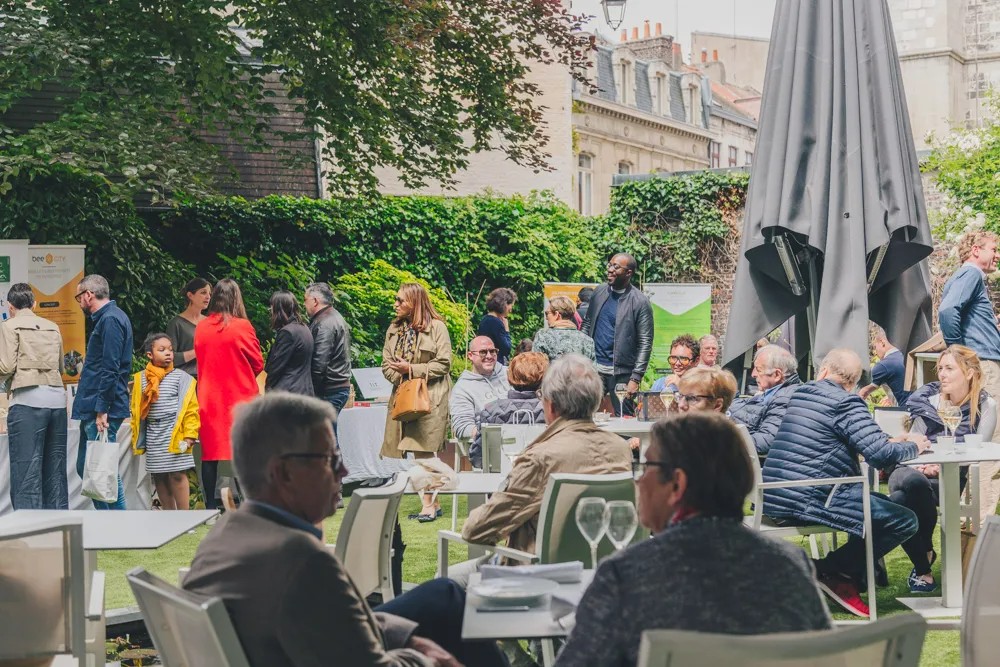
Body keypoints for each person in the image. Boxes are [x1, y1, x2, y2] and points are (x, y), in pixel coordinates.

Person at [183, 392, 505, 667]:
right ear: (283, 473)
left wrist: (403, 637)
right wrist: (424, 657)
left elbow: (327, 623)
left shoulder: (224, 535)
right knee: (449, 606)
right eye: (329, 458)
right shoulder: (302, 561)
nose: (344, 470)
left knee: (443, 594)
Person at [555, 413, 832, 666]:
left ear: (677, 484)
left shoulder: (626, 576)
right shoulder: (790, 564)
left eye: (645, 466)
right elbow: (828, 658)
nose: (638, 480)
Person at [761, 349, 927, 618]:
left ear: (823, 371)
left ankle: (846, 575)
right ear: (853, 382)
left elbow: (857, 437)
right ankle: (824, 570)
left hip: (776, 496)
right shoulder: (845, 403)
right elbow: (880, 456)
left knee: (884, 502)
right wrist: (914, 446)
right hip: (811, 497)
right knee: (905, 520)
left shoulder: (801, 395)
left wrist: (887, 441)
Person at [461, 354, 632, 560]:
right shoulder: (621, 450)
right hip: (603, 569)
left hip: (537, 574)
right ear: (596, 402)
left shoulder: (540, 458)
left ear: (550, 406)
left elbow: (475, 530)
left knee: (448, 582)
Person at [888, 345, 997, 593]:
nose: (942, 374)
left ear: (969, 373)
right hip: (911, 470)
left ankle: (923, 565)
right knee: (912, 483)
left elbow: (978, 451)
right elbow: (913, 442)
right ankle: (924, 560)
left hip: (950, 476)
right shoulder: (928, 401)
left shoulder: (985, 405)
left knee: (899, 499)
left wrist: (943, 463)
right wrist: (923, 462)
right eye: (940, 368)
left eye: (949, 368)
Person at [938, 229, 1000, 523]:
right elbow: (948, 310)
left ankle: (967, 522)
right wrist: (958, 352)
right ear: (976, 250)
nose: (997, 255)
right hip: (985, 364)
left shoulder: (963, 278)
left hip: (981, 363)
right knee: (992, 445)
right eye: (993, 248)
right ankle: (982, 528)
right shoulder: (971, 274)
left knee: (976, 441)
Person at [381, 283, 453, 521]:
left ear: (414, 302)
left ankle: (430, 505)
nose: (396, 304)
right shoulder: (394, 329)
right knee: (415, 451)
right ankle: (432, 502)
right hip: (403, 397)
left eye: (401, 300)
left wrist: (411, 369)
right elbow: (386, 365)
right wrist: (402, 377)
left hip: (431, 397)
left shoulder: (437, 328)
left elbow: (444, 364)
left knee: (425, 451)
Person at [194, 279, 264, 510]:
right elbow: (258, 362)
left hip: (209, 397)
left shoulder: (202, 326)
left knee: (210, 454)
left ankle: (210, 507)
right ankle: (248, 501)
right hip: (240, 396)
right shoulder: (242, 326)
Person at [0, 283, 67, 509]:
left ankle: (28, 533)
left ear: (10, 307)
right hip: (57, 398)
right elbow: (61, 365)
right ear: (34, 304)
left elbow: (6, 366)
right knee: (55, 470)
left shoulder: (9, 326)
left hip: (27, 399)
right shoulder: (53, 326)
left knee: (26, 470)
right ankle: (59, 529)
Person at [72, 274, 132, 510]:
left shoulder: (110, 320)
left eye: (79, 297)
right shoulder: (107, 319)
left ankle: (119, 524)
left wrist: (102, 410)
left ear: (88, 294)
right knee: (86, 467)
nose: (79, 303)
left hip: (102, 406)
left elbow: (111, 367)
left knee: (104, 470)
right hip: (93, 404)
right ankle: (109, 522)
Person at [130, 333, 199, 510]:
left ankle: (184, 517)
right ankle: (170, 515)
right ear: (149, 355)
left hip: (174, 432)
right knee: (159, 475)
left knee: (177, 474)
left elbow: (191, 410)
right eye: (162, 350)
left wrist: (190, 434)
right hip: (154, 433)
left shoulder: (181, 378)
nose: (168, 353)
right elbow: (136, 410)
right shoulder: (140, 379)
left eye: (170, 349)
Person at [582, 254, 653, 417]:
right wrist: (582, 357)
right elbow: (587, 323)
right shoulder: (599, 292)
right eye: (609, 265)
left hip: (622, 373)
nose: (610, 269)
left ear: (628, 273)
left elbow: (645, 342)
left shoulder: (640, 302)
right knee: (583, 414)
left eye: (616, 267)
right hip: (594, 369)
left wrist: (635, 378)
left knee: (625, 418)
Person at [469, 351, 548, 468]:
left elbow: (478, 459)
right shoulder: (552, 411)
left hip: (502, 480)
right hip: (541, 479)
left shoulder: (490, 411)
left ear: (510, 376)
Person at [728, 345, 803, 456]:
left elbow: (765, 441)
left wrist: (724, 444)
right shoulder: (777, 392)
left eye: (758, 370)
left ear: (777, 375)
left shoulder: (785, 398)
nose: (753, 374)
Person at [449, 335, 510, 444]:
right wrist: (491, 434)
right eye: (483, 352)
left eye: (492, 351)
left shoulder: (510, 374)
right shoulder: (462, 389)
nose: (489, 356)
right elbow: (462, 427)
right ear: (470, 355)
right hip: (487, 447)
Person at [304, 282, 352, 414]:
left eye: (305, 300)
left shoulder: (326, 322)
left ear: (315, 301)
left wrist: (310, 392)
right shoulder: (332, 316)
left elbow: (319, 363)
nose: (304, 304)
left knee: (324, 433)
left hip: (331, 388)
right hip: (336, 386)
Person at [264, 291, 314, 396]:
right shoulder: (304, 328)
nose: (270, 311)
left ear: (278, 310)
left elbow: (276, 367)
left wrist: (267, 391)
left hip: (288, 392)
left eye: (272, 307)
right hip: (304, 391)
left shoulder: (287, 333)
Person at [165, 278, 211, 378]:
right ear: (190, 295)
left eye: (209, 293)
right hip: (185, 380)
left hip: (209, 379)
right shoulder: (176, 323)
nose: (208, 297)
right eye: (203, 292)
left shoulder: (210, 322)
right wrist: (197, 351)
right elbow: (169, 358)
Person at [533, 296, 595, 362]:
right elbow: (593, 369)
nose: (546, 318)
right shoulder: (587, 340)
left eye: (547, 313)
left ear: (557, 315)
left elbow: (536, 367)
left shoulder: (542, 336)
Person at [859, 328, 909, 406]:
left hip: (906, 411)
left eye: (875, 347)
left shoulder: (883, 365)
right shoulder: (906, 355)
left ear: (882, 343)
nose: (875, 352)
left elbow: (863, 393)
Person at [477, 287, 516, 366]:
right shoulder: (497, 323)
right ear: (505, 304)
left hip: (484, 362)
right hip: (495, 365)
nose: (511, 309)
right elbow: (506, 349)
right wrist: (507, 330)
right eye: (510, 305)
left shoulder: (484, 319)